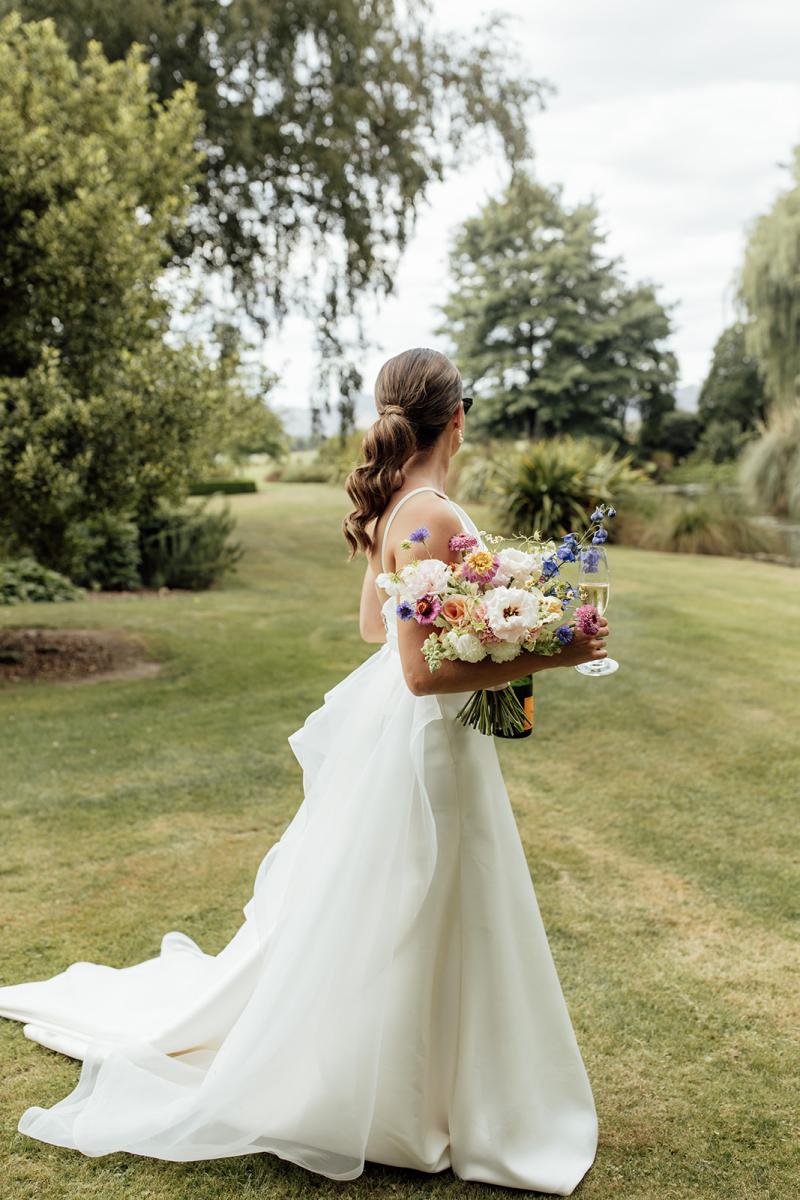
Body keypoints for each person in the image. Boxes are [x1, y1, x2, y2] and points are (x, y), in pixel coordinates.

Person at [0, 347, 607, 1195]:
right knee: (423, 900)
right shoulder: (429, 512)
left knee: (414, 901)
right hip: (426, 740)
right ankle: (419, 1093)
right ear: (458, 417)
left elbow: (374, 624)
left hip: (416, 739)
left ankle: (423, 1080)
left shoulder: (400, 505)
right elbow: (419, 671)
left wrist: (498, 626)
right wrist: (554, 645)